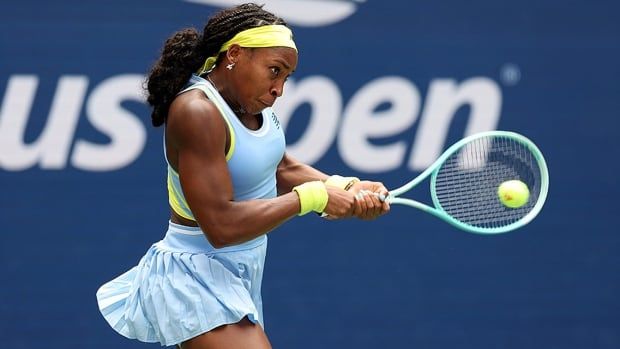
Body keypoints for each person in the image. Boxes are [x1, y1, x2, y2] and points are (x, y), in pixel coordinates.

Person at [96, 3, 390, 348]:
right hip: (195, 276)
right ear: (234, 54)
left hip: (241, 271)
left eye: (285, 77)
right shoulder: (197, 111)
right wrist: (315, 198)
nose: (279, 88)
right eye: (274, 71)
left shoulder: (250, 106)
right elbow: (221, 227)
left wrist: (344, 186)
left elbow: (281, 167)